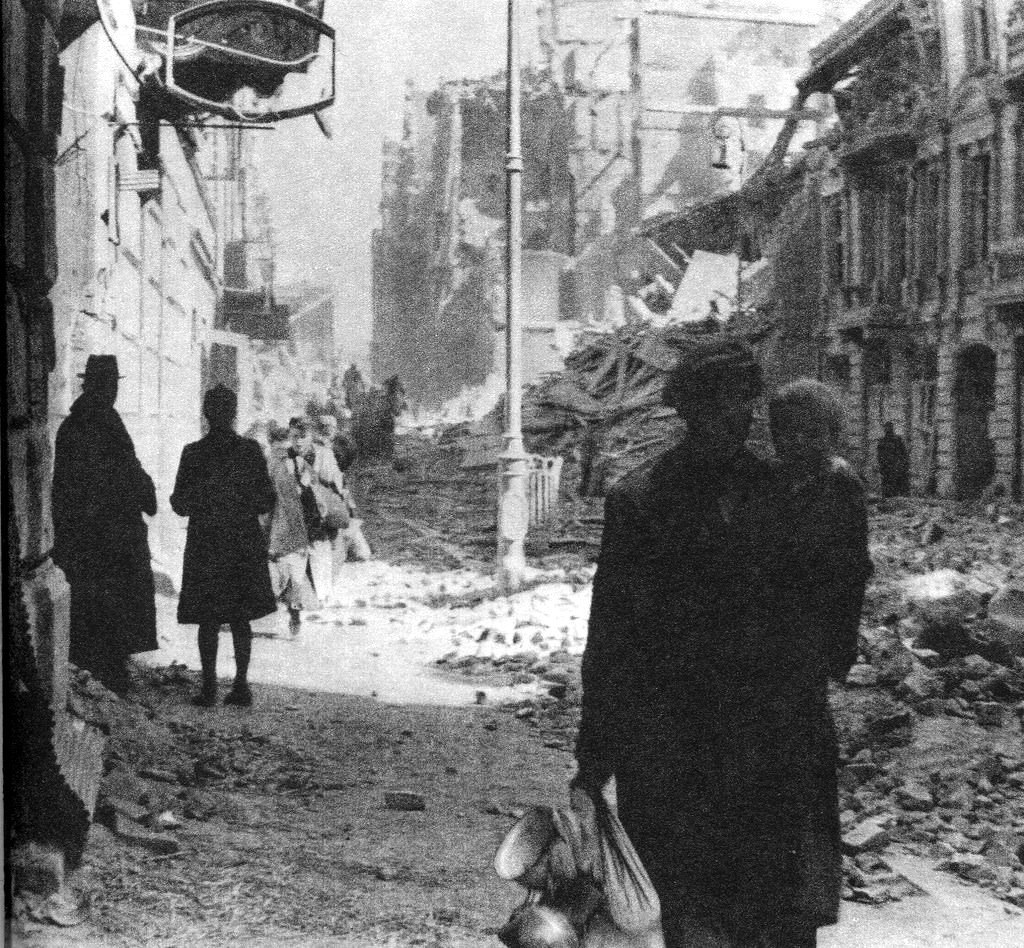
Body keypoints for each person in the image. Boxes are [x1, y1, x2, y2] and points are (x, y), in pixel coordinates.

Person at [572, 340, 865, 947]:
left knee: (763, 915)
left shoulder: (789, 492)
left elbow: (832, 598)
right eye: (727, 407)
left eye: (743, 405)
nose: (740, 419)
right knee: (704, 912)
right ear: (693, 412)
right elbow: (614, 637)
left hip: (748, 741)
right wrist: (594, 754)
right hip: (700, 743)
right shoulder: (652, 498)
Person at [52, 355, 158, 693]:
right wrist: (145, 492)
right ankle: (109, 672)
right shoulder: (103, 423)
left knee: (94, 602)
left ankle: (101, 669)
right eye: (108, 384)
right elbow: (126, 468)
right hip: (108, 532)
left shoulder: (75, 424)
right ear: (100, 385)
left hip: (86, 533)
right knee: (111, 603)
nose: (112, 391)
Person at [171, 386, 277, 707]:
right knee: (241, 617)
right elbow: (266, 501)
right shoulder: (251, 451)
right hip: (243, 544)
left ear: (206, 413)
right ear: (233, 413)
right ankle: (241, 686)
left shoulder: (193, 453)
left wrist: (205, 499)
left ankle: (208, 688)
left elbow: (179, 504)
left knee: (209, 619)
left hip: (207, 545)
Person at [266, 423, 318, 634]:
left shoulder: (272, 462)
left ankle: (290, 608)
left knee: (283, 571)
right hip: (293, 528)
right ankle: (293, 611)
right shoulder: (296, 462)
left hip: (281, 528)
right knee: (294, 574)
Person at [288, 416, 346, 606]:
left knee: (321, 550)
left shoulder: (322, 454)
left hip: (317, 513)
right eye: (294, 436)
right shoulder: (284, 456)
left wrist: (315, 482)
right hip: (292, 514)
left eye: (302, 436)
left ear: (311, 436)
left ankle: (321, 594)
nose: (298, 441)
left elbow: (336, 482)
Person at [876, 421, 910, 497]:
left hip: (895, 468)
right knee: (888, 486)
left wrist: (902, 465)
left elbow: (904, 454)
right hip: (888, 468)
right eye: (886, 428)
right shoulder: (882, 441)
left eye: (889, 428)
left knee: (894, 486)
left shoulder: (897, 440)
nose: (887, 429)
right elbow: (879, 456)